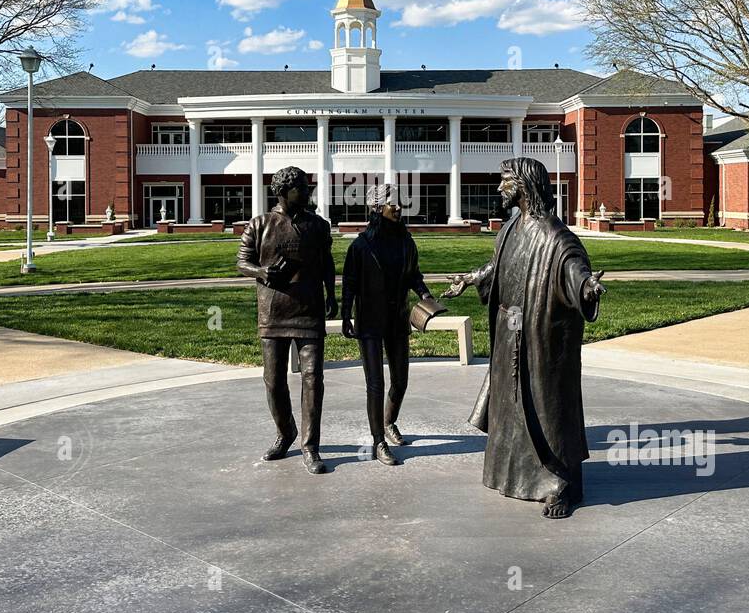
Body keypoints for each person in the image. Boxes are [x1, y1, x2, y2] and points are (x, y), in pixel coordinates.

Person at [444, 156, 605, 518]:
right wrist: (471, 279)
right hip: (509, 332)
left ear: (525, 185)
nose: (500, 187)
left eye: (505, 181)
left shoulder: (555, 237)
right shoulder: (510, 228)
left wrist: (587, 288)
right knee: (510, 409)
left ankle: (557, 484)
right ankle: (513, 475)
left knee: (546, 409)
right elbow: (498, 267)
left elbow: (573, 269)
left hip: (539, 339)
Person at [237, 166, 337, 474]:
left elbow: (327, 263)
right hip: (273, 313)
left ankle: (311, 446)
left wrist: (332, 295)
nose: (308, 192)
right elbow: (242, 261)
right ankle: (286, 432)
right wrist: (262, 272)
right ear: (283, 191)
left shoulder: (318, 226)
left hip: (309, 310)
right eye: (303, 188)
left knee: (313, 380)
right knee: (274, 382)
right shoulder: (259, 224)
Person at [341, 183, 433, 466]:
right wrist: (345, 314)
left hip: (397, 318)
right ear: (377, 207)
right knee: (375, 384)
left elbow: (413, 274)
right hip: (369, 320)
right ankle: (378, 441)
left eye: (400, 202)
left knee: (401, 381)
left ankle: (389, 421)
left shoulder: (406, 241)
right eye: (392, 203)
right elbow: (350, 284)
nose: (398, 207)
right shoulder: (361, 246)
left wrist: (425, 294)